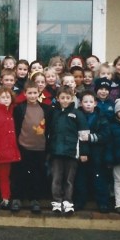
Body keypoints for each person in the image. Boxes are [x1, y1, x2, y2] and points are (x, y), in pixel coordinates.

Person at [47, 86, 89, 215]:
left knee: (69, 180)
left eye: (68, 98)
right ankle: (57, 201)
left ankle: (67, 201)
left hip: (72, 152)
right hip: (56, 152)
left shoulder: (77, 114)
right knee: (56, 178)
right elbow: (48, 132)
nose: (65, 100)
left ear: (72, 98)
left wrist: (84, 152)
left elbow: (83, 134)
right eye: (62, 98)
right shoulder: (53, 113)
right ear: (57, 99)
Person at [11, 83, 51, 213]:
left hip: (40, 148)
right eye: (30, 93)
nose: (32, 95)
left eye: (35, 93)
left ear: (39, 93)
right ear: (25, 94)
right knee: (20, 174)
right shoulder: (20, 109)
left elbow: (49, 128)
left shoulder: (45, 109)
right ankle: (17, 198)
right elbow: (16, 127)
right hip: (23, 146)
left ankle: (35, 199)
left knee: (37, 175)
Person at [73, 90, 111, 213]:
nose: (88, 104)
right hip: (81, 153)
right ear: (80, 103)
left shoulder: (101, 117)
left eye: (91, 102)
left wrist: (90, 137)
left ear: (95, 103)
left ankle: (103, 203)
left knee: (99, 179)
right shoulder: (76, 116)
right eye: (85, 102)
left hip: (97, 153)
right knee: (80, 179)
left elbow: (105, 135)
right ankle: (79, 202)